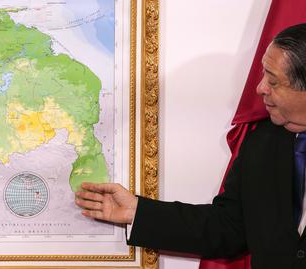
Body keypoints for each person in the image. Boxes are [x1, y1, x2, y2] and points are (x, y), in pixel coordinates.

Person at [75, 23, 306, 269]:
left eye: (273, 81)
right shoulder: (262, 142)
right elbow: (228, 226)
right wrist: (137, 211)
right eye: (263, 75)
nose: (260, 88)